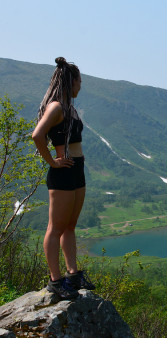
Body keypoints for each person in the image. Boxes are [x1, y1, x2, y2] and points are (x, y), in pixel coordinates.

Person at [32, 57, 95, 299]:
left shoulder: (70, 107)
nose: (81, 86)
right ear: (72, 82)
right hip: (62, 173)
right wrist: (52, 162)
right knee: (55, 228)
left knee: (70, 226)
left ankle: (72, 274)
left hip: (76, 170)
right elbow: (37, 135)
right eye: (80, 81)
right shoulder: (56, 107)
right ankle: (56, 281)